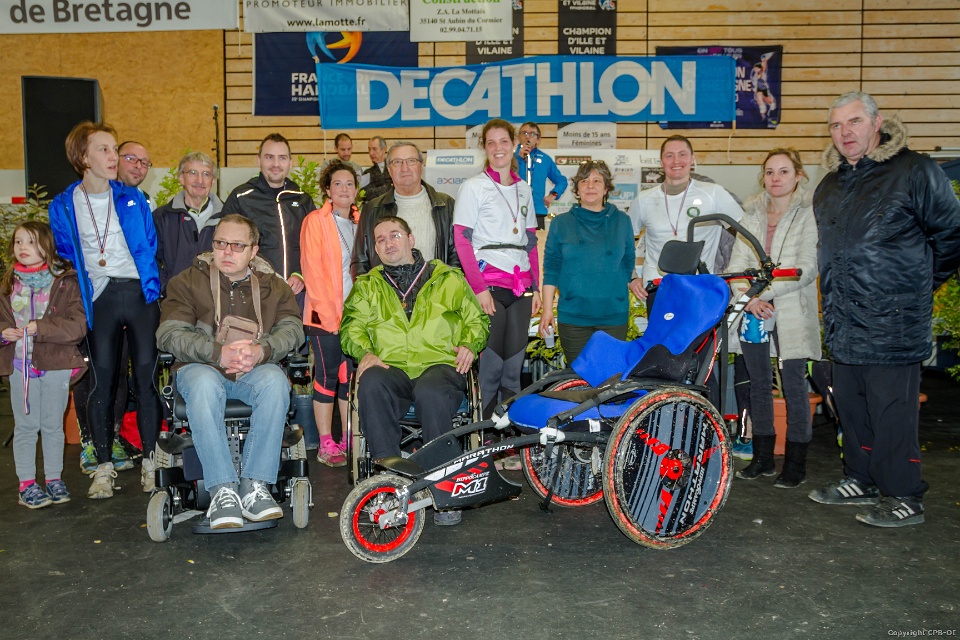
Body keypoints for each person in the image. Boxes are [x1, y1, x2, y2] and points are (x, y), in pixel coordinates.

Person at [809, 91, 960, 527]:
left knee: (892, 412)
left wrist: (918, 287)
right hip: (843, 319)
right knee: (851, 407)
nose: (845, 132)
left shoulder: (916, 170)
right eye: (836, 125)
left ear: (877, 123)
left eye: (854, 122)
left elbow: (951, 236)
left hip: (894, 322)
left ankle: (904, 495)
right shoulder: (829, 185)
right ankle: (861, 479)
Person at [156, 215, 304, 529]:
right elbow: (169, 334)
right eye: (221, 243)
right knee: (204, 384)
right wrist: (217, 352)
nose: (227, 251)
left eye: (237, 245)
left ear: (253, 250)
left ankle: (254, 486)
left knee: (276, 382)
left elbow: (292, 330)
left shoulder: (274, 287)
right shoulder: (187, 282)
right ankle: (222, 489)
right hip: (201, 367)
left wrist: (262, 350)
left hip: (254, 369)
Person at [340, 216, 489, 526]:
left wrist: (469, 344)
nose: (388, 243)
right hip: (391, 365)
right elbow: (351, 327)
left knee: (431, 391)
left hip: (439, 363)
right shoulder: (367, 286)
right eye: (380, 240)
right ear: (375, 250)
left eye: (394, 235)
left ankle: (444, 484)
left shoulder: (448, 278)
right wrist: (364, 352)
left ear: (410, 239)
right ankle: (389, 480)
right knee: (370, 381)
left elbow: (476, 320)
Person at [48, 121, 162, 499]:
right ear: (83, 157)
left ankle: (150, 462)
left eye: (115, 149)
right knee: (103, 382)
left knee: (145, 380)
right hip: (100, 298)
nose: (114, 157)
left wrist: (149, 287)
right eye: (104, 150)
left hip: (139, 294)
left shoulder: (133, 198)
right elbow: (66, 251)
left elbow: (148, 244)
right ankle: (102, 467)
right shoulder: (64, 205)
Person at [727, 148, 820, 488]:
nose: (776, 178)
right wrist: (749, 300)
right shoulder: (750, 215)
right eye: (770, 172)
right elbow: (736, 268)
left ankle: (795, 464)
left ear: (798, 175)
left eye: (783, 171)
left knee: (794, 387)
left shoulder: (809, 214)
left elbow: (807, 267)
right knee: (757, 385)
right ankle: (763, 459)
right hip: (754, 312)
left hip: (791, 311)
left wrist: (762, 295)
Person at [454, 119, 540, 417]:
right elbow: (462, 240)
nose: (498, 148)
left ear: (514, 144)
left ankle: (510, 437)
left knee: (513, 374)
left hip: (520, 288)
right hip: (489, 285)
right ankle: (486, 437)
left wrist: (536, 286)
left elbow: (531, 241)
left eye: (504, 141)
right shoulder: (473, 187)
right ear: (484, 148)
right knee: (490, 372)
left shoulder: (524, 189)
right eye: (491, 143)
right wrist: (478, 288)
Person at [0, 222, 87, 509]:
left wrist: (41, 328)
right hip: (20, 364)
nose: (22, 247)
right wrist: (3, 333)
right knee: (26, 427)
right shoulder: (7, 284)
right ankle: (26, 484)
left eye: (30, 241)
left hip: (56, 362)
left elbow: (78, 326)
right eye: (18, 242)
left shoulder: (66, 282)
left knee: (52, 425)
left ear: (48, 246)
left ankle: (54, 479)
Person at [538, 160, 635, 363]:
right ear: (577, 189)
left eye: (597, 181)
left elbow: (627, 263)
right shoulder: (561, 223)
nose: (590, 186)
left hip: (613, 318)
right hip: (573, 319)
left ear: (606, 188)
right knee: (578, 377)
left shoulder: (622, 221)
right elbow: (551, 269)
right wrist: (547, 310)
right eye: (584, 181)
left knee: (610, 376)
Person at [627, 135, 745, 300]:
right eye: (669, 155)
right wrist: (632, 277)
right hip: (657, 288)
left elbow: (747, 233)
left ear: (692, 159)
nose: (676, 161)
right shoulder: (643, 200)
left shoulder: (714, 193)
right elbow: (623, 242)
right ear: (661, 161)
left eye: (682, 154)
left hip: (700, 289)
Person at [300, 161, 359, 467]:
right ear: (327, 189)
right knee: (326, 377)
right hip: (325, 318)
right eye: (338, 183)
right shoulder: (316, 221)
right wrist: (330, 318)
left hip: (355, 318)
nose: (344, 189)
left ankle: (348, 437)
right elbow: (312, 271)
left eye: (349, 183)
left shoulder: (361, 222)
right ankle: (326, 442)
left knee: (349, 378)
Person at [221, 133, 315, 296]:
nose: (276, 164)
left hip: (296, 294)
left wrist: (301, 274)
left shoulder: (303, 200)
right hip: (252, 293)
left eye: (282, 158)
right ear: (259, 160)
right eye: (269, 157)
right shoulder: (241, 198)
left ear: (290, 162)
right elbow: (224, 247)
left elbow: (315, 246)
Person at [352, 141, 459, 277]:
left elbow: (457, 254)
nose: (405, 168)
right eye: (397, 162)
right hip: (386, 290)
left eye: (411, 161)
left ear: (421, 166)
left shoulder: (446, 205)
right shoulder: (372, 209)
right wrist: (371, 289)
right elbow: (360, 261)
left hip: (438, 288)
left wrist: (447, 285)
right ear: (389, 170)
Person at [153, 151, 224, 293]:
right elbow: (151, 259)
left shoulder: (228, 217)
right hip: (176, 298)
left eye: (206, 174)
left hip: (217, 298)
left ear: (213, 181)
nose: (200, 180)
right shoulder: (162, 217)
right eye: (192, 173)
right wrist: (166, 287)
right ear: (181, 178)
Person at [515, 122, 568, 230]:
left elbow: (561, 181)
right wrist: (518, 159)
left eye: (532, 134)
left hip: (537, 212)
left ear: (538, 139)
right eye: (524, 133)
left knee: (537, 241)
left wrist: (553, 194)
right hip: (513, 211)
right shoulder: (509, 157)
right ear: (519, 137)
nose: (527, 137)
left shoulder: (545, 159)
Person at [117, 141, 154, 210]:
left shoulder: (148, 202)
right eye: (131, 159)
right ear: (115, 159)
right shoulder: (100, 196)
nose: (138, 166)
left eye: (144, 163)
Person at [360, 136, 392, 202]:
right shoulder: (367, 173)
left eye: (374, 149)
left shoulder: (393, 168)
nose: (371, 153)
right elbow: (365, 194)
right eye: (369, 149)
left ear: (384, 149)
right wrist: (387, 188)